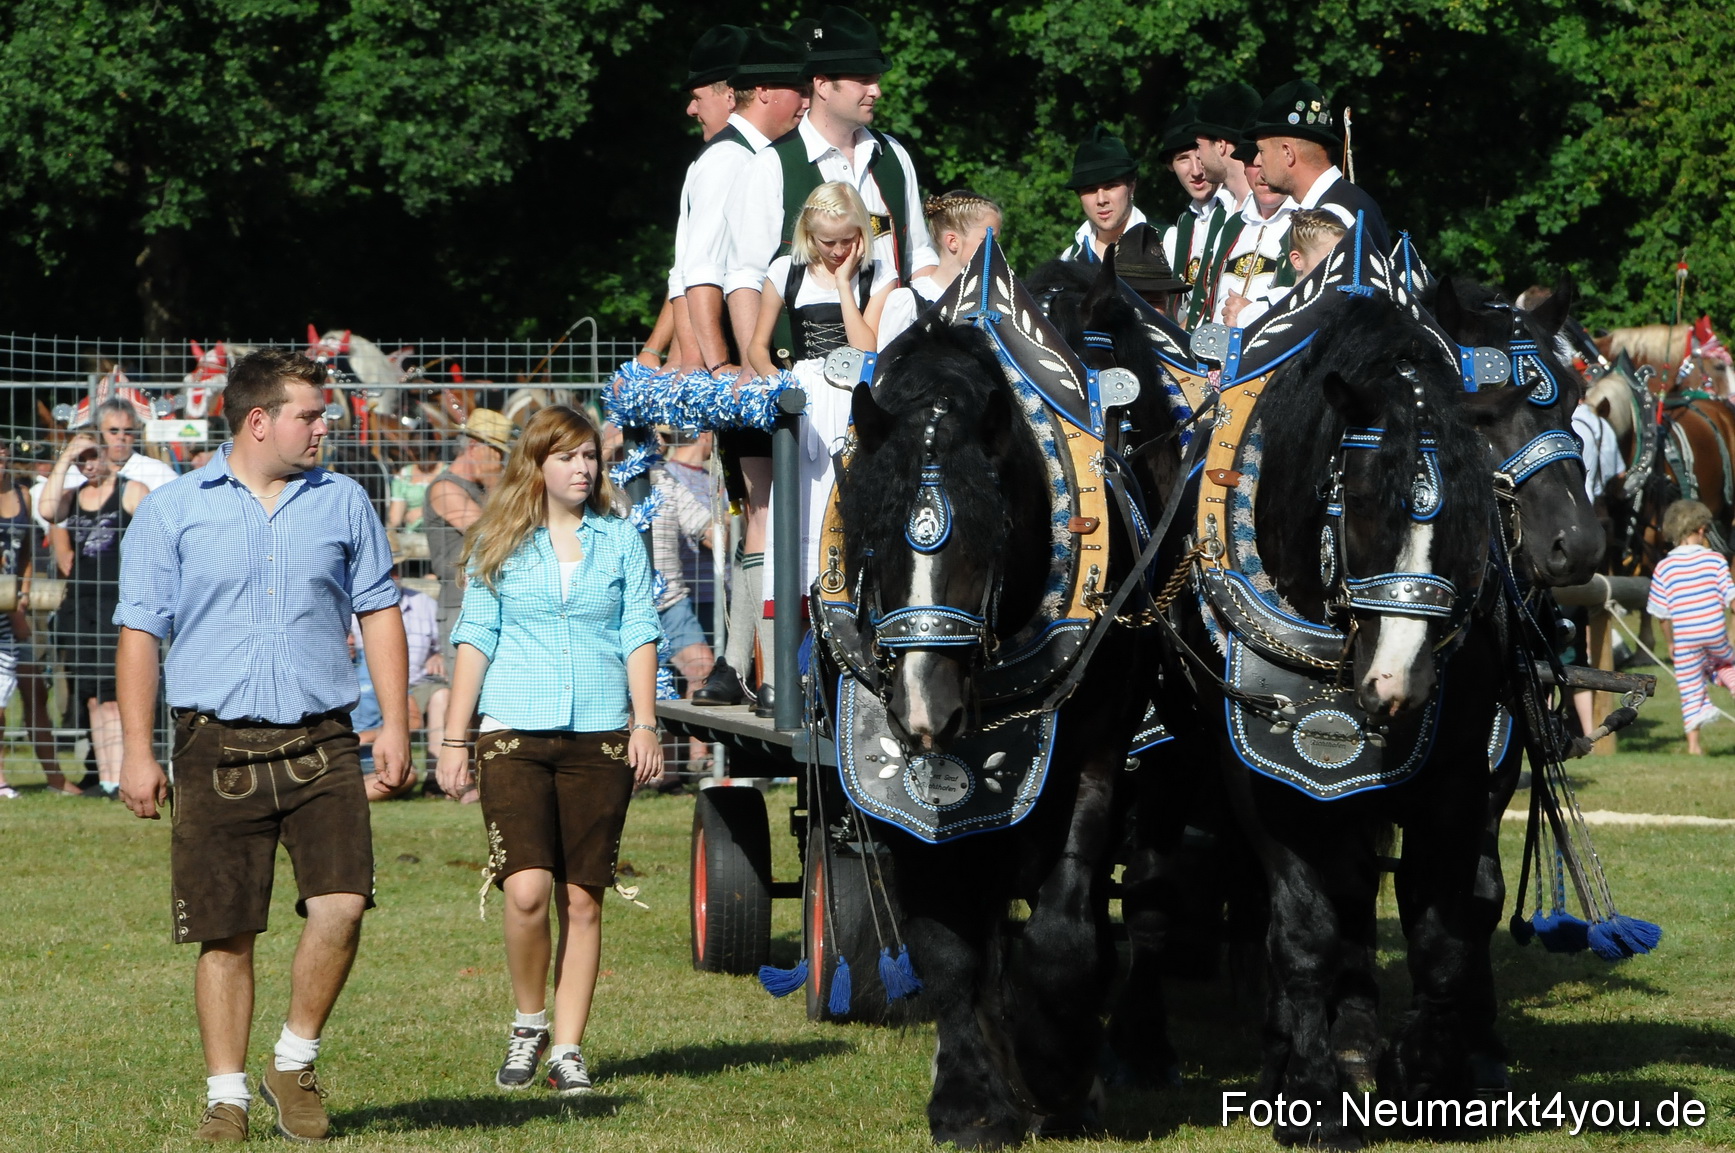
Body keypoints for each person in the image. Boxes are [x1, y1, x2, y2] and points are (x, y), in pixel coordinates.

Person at [114, 347, 409, 1142]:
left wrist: (398, 722)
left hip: (324, 737)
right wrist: (137, 752)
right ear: (258, 421)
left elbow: (379, 609)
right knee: (227, 927)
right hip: (213, 742)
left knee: (342, 905)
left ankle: (293, 1057)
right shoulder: (173, 510)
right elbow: (141, 630)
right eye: (310, 414)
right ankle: (228, 1096)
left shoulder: (344, 501)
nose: (325, 426)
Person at [434, 405, 663, 1096]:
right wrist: (452, 737)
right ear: (535, 464)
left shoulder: (621, 540)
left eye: (590, 456)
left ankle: (567, 1048)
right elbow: (474, 638)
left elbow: (638, 629)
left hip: (600, 733)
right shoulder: (496, 540)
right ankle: (527, 1021)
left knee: (582, 897)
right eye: (568, 456)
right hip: (512, 732)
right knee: (527, 889)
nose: (583, 468)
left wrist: (644, 721)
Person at [717, 5, 936, 709]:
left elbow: (919, 262)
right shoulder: (769, 166)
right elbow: (747, 273)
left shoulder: (892, 158)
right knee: (790, 523)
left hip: (884, 381)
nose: (873, 88)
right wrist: (756, 374)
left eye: (874, 76)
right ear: (821, 84)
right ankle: (778, 672)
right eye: (858, 77)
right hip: (798, 387)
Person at [41, 433, 149, 796]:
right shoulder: (72, 498)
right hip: (79, 604)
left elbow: (156, 530)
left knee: (114, 695)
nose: (86, 464)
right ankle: (105, 780)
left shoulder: (131, 490)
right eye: (79, 459)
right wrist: (65, 455)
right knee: (90, 694)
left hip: (115, 602)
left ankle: (121, 776)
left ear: (108, 454)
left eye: (91, 456)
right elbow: (46, 510)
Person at [665, 24, 749, 375]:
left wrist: (682, 360)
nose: (690, 110)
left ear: (729, 96)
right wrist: (707, 364)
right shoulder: (725, 157)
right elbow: (696, 272)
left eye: (697, 98)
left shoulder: (728, 155)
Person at [1247, 79, 1390, 255]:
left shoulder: (1331, 220)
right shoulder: (1346, 203)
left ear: (1287, 153)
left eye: (1261, 151)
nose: (1256, 161)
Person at [425, 409, 513, 672]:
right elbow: (492, 534)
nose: (501, 459)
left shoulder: (481, 489)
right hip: (460, 605)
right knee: (468, 701)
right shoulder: (445, 488)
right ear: (474, 446)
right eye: (496, 451)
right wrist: (494, 480)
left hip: (494, 601)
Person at [1644, 500, 1735, 755]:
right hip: (1714, 631)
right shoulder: (1715, 561)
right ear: (1703, 529)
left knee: (1690, 684)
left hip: (1685, 636)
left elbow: (1662, 614)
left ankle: (1694, 746)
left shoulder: (1664, 567)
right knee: (1726, 664)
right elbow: (1731, 598)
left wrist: (1670, 643)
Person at [0, 440, 62, 797]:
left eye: (3, 447)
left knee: (32, 691)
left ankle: (55, 779)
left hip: (13, 610)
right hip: (9, 614)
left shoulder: (23, 495)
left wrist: (21, 594)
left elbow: (23, 554)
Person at [879, 190, 1002, 350]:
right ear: (953, 242)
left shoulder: (995, 300)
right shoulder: (910, 301)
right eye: (989, 239)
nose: (996, 247)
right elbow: (887, 365)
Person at [1188, 82, 1263, 326]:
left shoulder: (1277, 211)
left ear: (1220, 144)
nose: (1197, 157)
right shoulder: (1216, 212)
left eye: (1198, 146)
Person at [1217, 135, 1300, 327]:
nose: (1263, 174)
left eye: (1269, 162)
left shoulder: (1303, 224)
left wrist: (1250, 313)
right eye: (1253, 162)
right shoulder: (1232, 226)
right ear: (1244, 168)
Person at [1156, 99, 1223, 324]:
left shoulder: (1240, 212)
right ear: (1169, 165)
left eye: (1199, 155)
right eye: (1183, 159)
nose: (1196, 171)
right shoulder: (1184, 225)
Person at [1058, 126, 1145, 263]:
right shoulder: (1070, 259)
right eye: (1090, 190)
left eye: (1111, 186)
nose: (1101, 199)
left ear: (1131, 187)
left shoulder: (1169, 242)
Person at [60, 397, 179, 495]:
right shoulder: (79, 471)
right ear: (98, 432)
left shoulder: (158, 472)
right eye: (113, 431)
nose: (121, 437)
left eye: (128, 431)